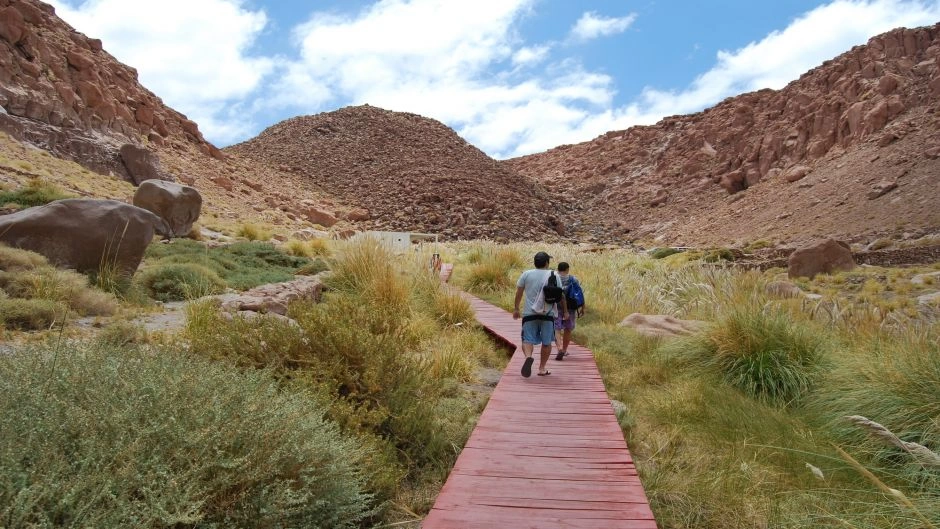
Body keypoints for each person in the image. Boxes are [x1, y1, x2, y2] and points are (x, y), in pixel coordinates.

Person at [513, 251, 568, 377]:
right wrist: (565, 311)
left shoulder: (526, 274)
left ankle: (528, 357)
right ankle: (542, 368)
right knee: (547, 342)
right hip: (548, 313)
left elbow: (519, 292)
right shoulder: (554, 275)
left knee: (527, 339)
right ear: (547, 263)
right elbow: (561, 295)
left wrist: (516, 308)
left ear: (535, 262)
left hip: (529, 313)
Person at [553, 262, 585, 360]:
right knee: (568, 329)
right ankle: (564, 350)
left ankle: (559, 348)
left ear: (558, 269)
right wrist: (583, 307)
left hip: (556, 306)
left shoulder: (553, 278)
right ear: (567, 269)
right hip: (570, 308)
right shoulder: (573, 279)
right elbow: (579, 293)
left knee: (557, 328)